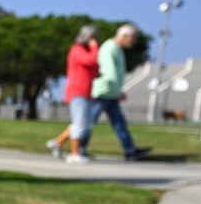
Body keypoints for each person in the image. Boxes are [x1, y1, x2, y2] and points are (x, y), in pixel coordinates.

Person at [81, 24, 152, 160]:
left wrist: (118, 90)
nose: (133, 41)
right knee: (89, 122)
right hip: (103, 92)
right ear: (125, 36)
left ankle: (130, 150)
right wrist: (118, 90)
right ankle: (79, 148)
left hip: (112, 93)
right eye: (133, 38)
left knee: (119, 123)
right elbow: (110, 73)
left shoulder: (117, 48)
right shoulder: (110, 48)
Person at [46, 24, 100, 164]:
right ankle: (75, 154)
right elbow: (91, 60)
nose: (96, 39)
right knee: (80, 123)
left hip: (86, 92)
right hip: (77, 91)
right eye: (94, 37)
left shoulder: (85, 51)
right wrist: (94, 47)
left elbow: (94, 68)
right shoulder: (77, 49)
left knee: (85, 124)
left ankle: (58, 142)